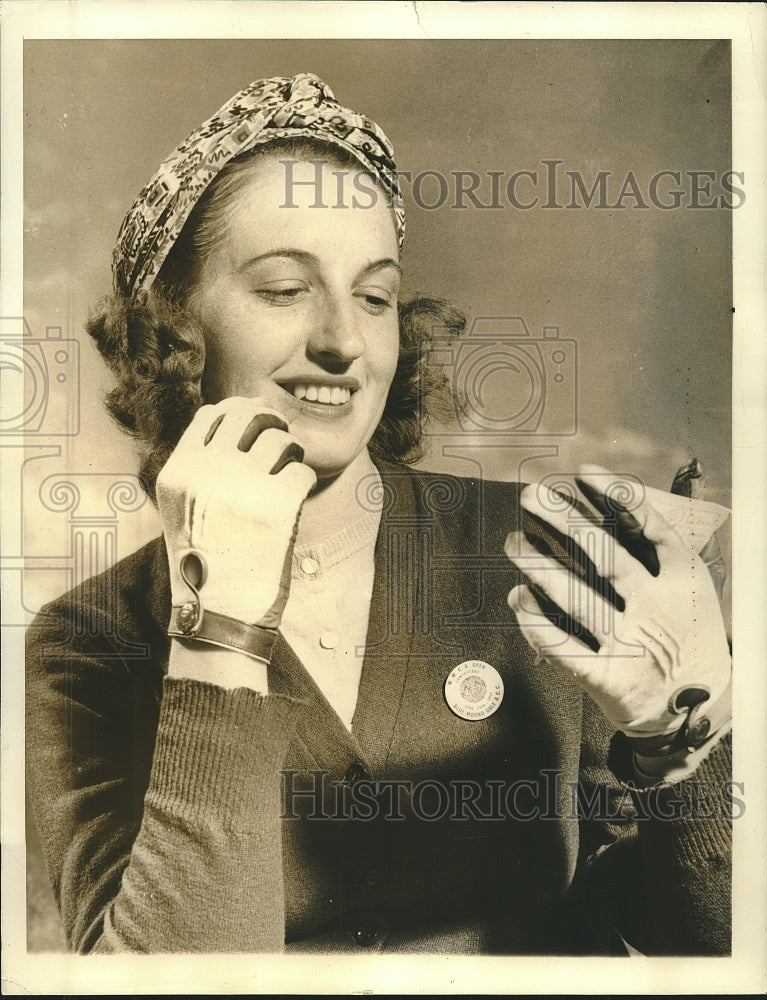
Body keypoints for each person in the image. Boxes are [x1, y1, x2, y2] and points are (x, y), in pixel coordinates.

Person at [25, 72, 733, 956]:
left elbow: (702, 949)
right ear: (171, 331)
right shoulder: (87, 640)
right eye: (284, 288)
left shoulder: (548, 552)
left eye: (373, 295)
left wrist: (684, 751)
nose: (344, 340)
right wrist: (218, 637)